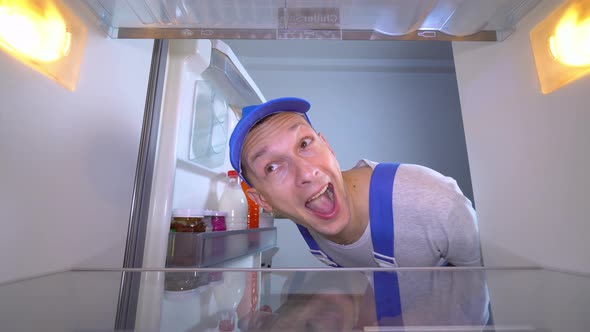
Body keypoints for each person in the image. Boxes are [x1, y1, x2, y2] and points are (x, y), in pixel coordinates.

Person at [229, 96, 482, 268]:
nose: (305, 174)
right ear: (262, 200)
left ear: (327, 146)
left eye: (304, 144)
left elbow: (491, 295)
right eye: (272, 167)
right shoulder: (309, 224)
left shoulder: (434, 200)